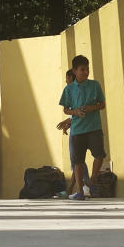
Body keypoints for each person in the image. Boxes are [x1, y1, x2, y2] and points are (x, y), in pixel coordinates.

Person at [58, 55, 106, 201]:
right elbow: (65, 109)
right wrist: (75, 112)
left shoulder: (95, 85)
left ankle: (93, 180)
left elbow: (102, 104)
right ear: (75, 70)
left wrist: (92, 108)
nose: (86, 72)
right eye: (82, 69)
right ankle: (79, 191)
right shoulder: (69, 89)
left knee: (99, 155)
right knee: (78, 162)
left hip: (94, 128)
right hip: (77, 130)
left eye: (87, 69)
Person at [56, 69, 90, 198]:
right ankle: (75, 188)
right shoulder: (71, 92)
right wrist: (69, 122)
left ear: (73, 78)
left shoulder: (78, 91)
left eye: (68, 79)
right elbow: (76, 113)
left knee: (77, 161)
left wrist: (68, 120)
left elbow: (80, 112)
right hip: (76, 128)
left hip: (79, 131)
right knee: (77, 161)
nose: (66, 81)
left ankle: (85, 186)